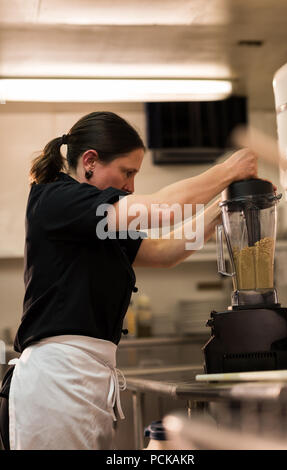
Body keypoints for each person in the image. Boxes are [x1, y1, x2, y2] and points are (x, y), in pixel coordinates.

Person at [0, 111, 258, 450]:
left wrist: (220, 210)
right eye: (128, 172)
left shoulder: (94, 223)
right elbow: (166, 209)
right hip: (56, 383)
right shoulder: (58, 201)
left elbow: (166, 251)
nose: (131, 186)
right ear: (90, 161)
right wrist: (229, 171)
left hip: (80, 380)